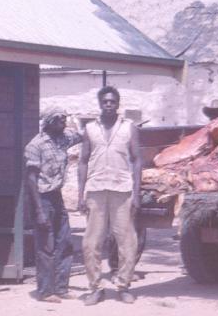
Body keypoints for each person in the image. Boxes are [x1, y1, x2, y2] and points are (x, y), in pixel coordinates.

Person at [78, 86, 141, 305]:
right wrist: (80, 194)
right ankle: (95, 288)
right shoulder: (89, 129)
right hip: (95, 190)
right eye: (105, 101)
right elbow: (83, 160)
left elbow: (137, 160)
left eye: (112, 101)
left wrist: (137, 193)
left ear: (118, 104)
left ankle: (123, 285)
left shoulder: (129, 128)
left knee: (127, 241)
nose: (108, 105)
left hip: (122, 190)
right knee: (91, 242)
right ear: (99, 103)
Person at [24, 107, 82, 303]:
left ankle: (61, 288)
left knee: (65, 242)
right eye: (59, 120)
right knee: (45, 247)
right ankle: (46, 291)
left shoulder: (62, 139)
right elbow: (31, 179)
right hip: (41, 199)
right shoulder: (36, 145)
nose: (63, 123)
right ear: (49, 122)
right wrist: (39, 210)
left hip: (57, 197)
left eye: (65, 119)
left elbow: (81, 136)